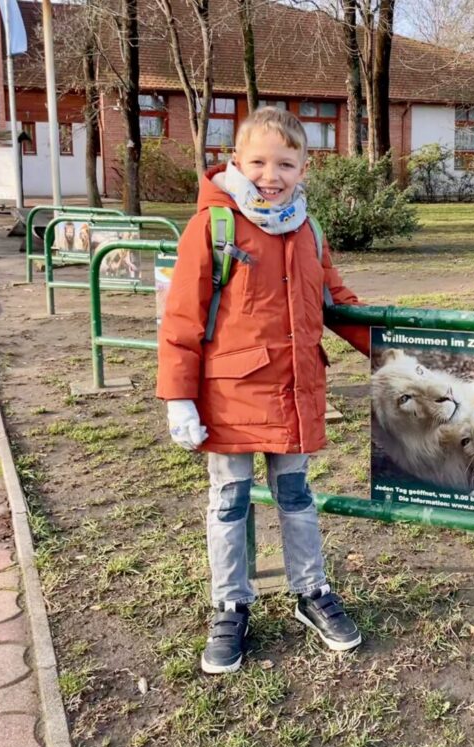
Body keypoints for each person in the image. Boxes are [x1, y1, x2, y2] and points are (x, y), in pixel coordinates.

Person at [156, 107, 370, 674]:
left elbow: (337, 304)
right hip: (228, 397)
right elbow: (181, 316)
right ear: (235, 162)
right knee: (229, 502)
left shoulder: (308, 229)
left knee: (297, 497)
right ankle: (230, 603)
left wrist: (396, 351)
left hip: (294, 392)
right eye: (257, 162)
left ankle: (311, 592)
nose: (270, 175)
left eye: (285, 163)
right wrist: (179, 397)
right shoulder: (213, 226)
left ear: (304, 168)